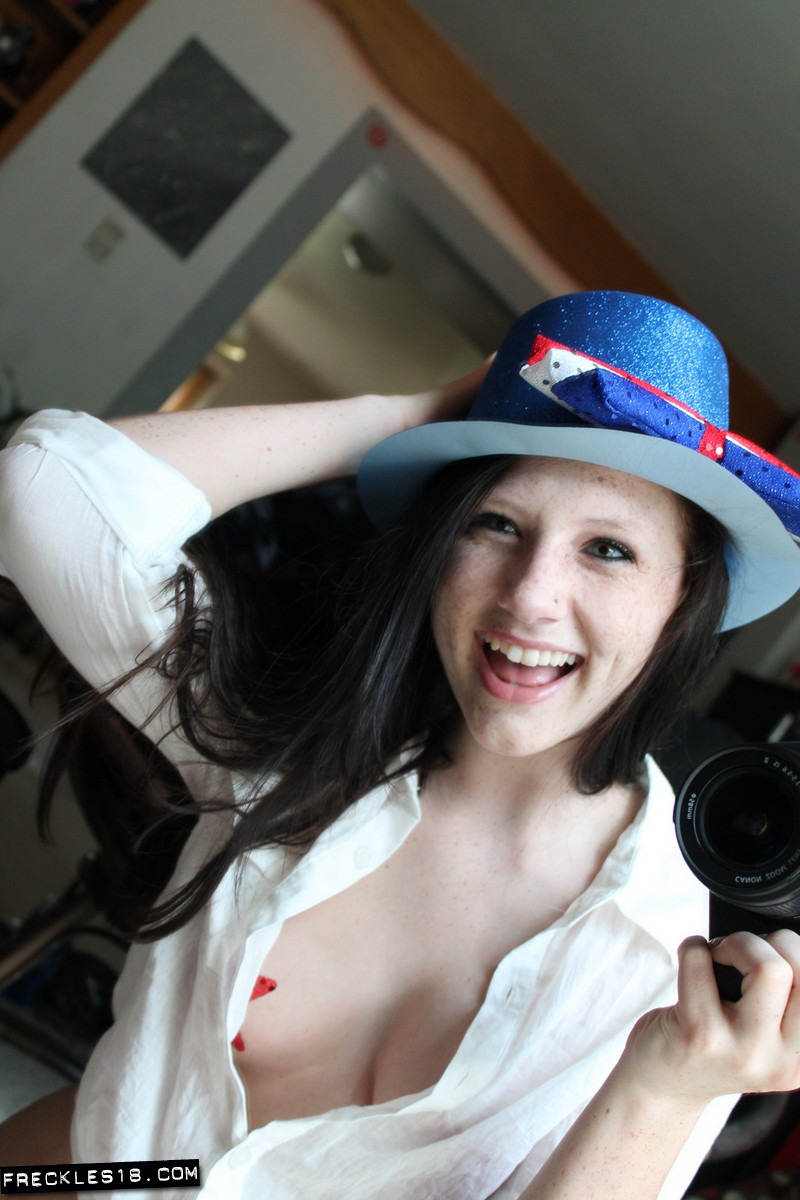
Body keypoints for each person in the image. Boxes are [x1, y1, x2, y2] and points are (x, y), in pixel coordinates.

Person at [2, 290, 800, 1200]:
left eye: (608, 549)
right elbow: (43, 490)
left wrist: (657, 1091)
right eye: (496, 522)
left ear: (681, 599)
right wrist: (411, 419)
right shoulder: (288, 738)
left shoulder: (664, 964)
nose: (531, 595)